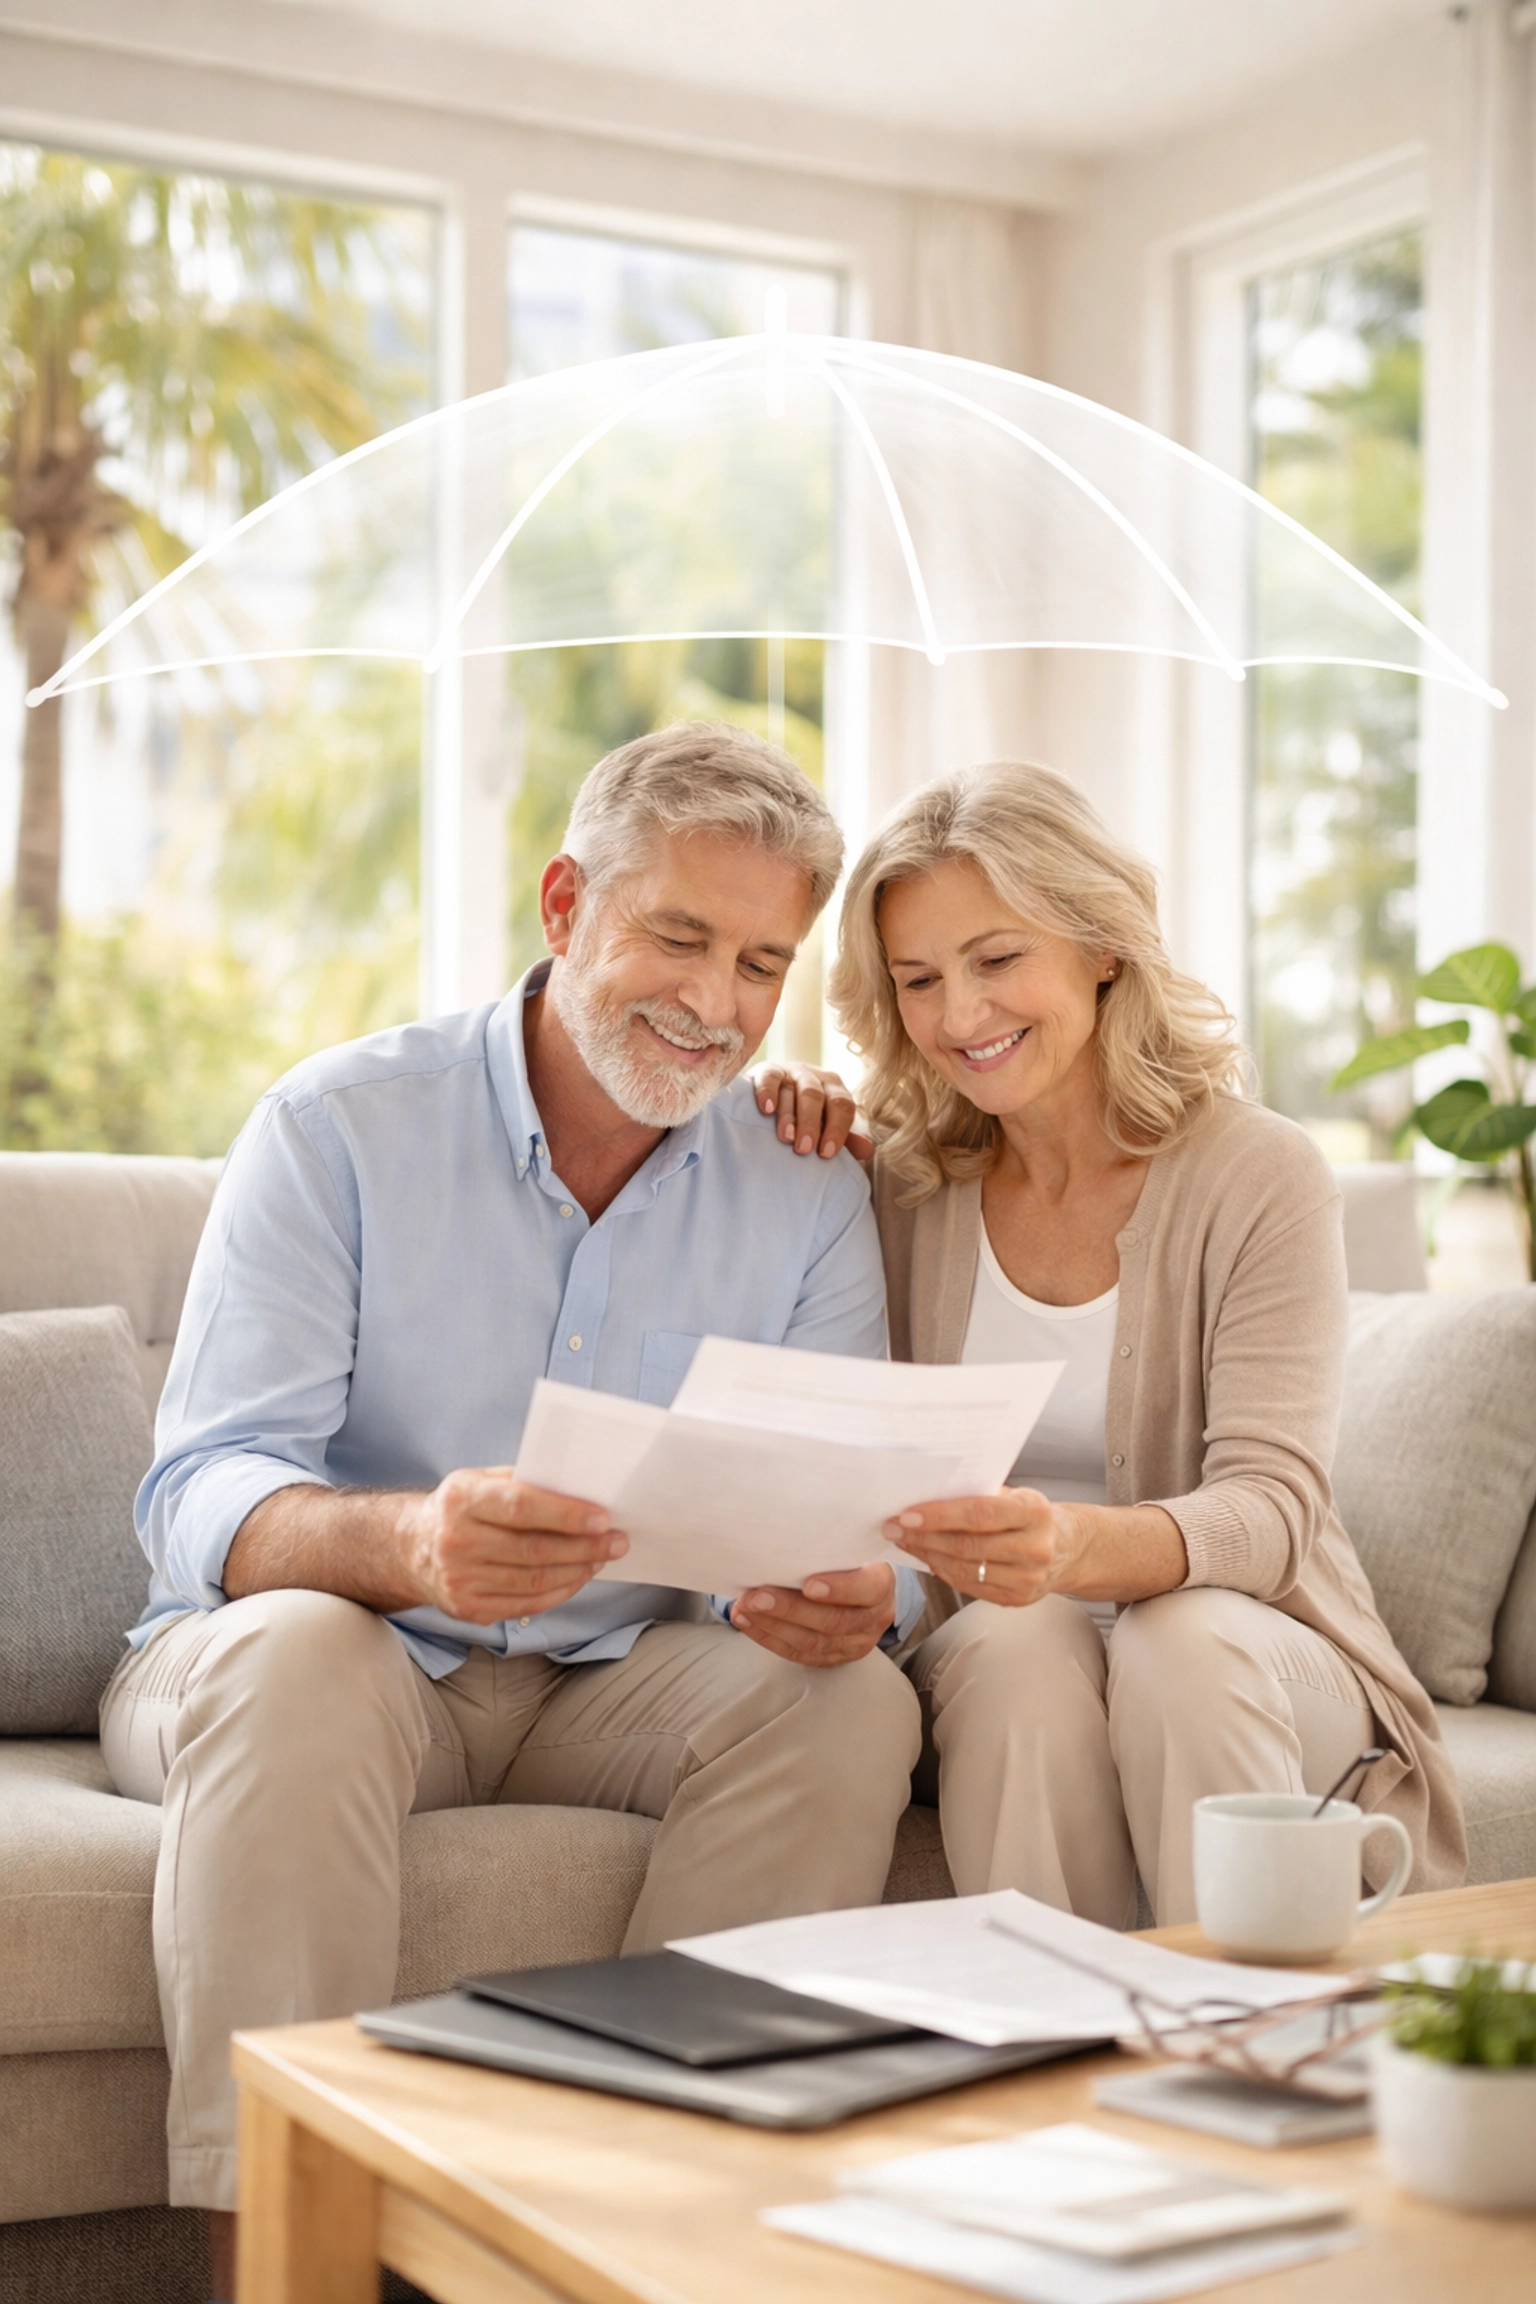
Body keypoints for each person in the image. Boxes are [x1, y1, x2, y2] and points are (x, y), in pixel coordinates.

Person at [103, 723, 924, 2293]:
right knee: (301, 1657)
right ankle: (278, 2261)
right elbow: (199, 1489)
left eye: (762, 963)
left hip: (604, 1678)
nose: (716, 1003)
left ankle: (650, 2245)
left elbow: (868, 1510)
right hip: (306, 1660)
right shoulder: (338, 1128)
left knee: (847, 1703)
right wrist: (405, 1542)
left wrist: (862, 1589)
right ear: (564, 906)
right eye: (677, 936)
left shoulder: (807, 1178)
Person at [757, 760, 1465, 1932]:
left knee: (1176, 1640)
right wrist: (781, 1100)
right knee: (1012, 1641)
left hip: (1255, 1648)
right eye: (920, 980)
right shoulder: (902, 1186)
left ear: (1100, 945)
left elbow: (1275, 1509)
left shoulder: (1258, 1175)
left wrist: (1074, 1545)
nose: (961, 1016)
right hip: (1003, 1648)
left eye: (997, 960)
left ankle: (1242, 2040)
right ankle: (1061, 2051)